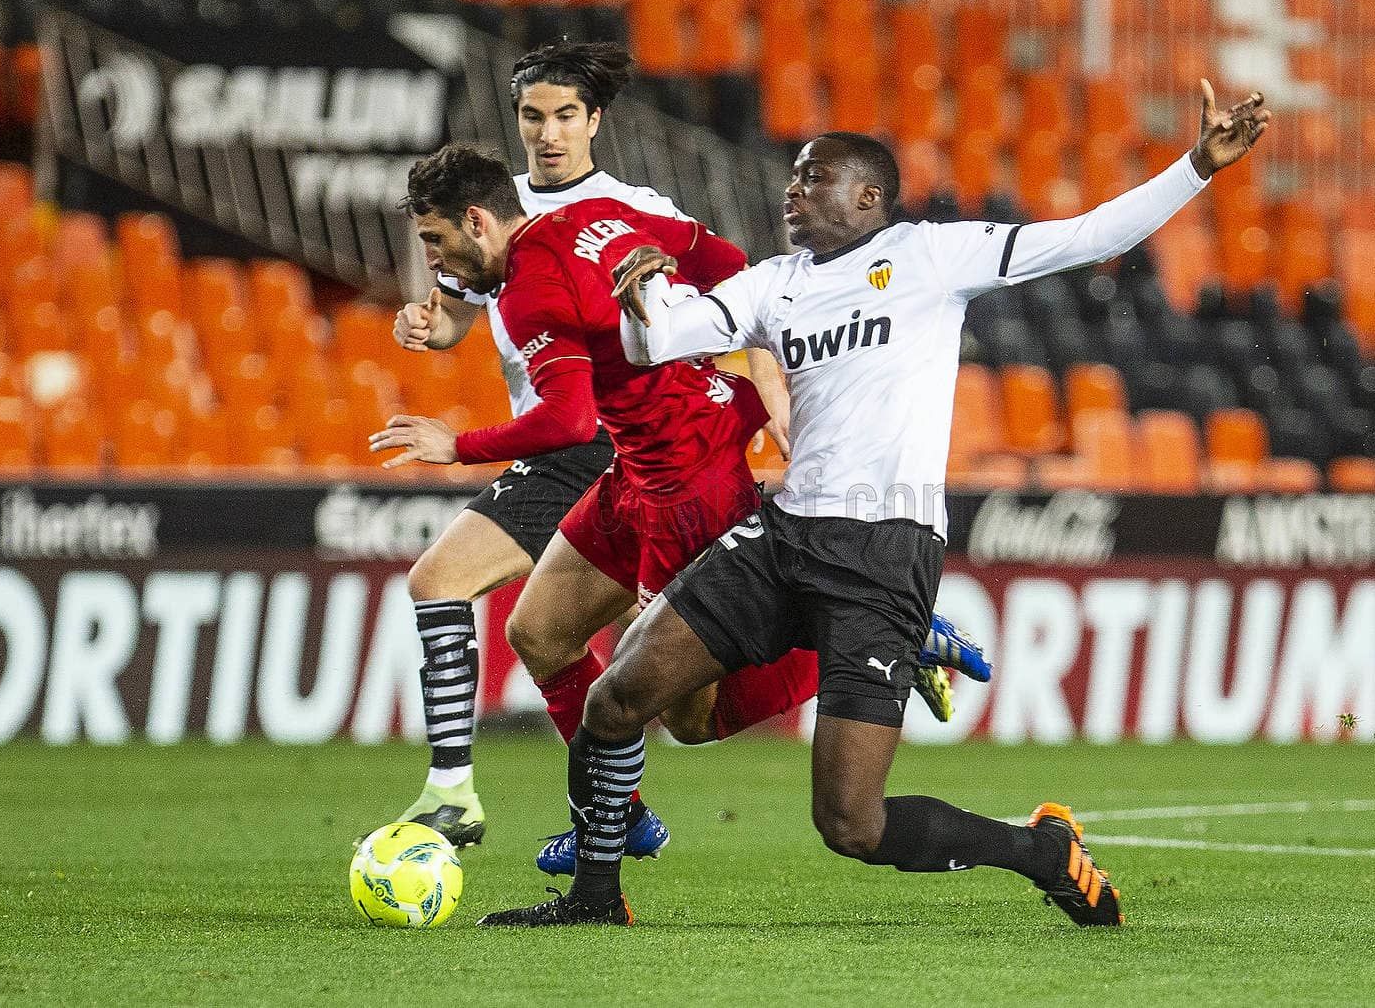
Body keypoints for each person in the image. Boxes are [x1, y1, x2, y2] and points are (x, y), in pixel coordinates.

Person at [476, 79, 1271, 928]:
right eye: (792, 175)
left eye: (813, 177)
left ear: (868, 196)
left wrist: (1196, 167)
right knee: (616, 702)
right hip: (785, 536)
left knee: (851, 823)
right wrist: (645, 298)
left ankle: (1039, 851)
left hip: (885, 553)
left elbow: (1086, 236)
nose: (792, 189)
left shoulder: (932, 258)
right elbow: (661, 341)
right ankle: (595, 899)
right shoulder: (776, 285)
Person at [375, 142, 991, 875]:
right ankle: (617, 813)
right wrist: (698, 332)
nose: (438, 265)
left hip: (687, 480)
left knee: (691, 720)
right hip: (634, 468)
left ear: (477, 221)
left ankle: (882, 635)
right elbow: (720, 254)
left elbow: (569, 422)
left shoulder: (528, 289)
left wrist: (457, 445)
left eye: (436, 241)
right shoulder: (598, 215)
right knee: (537, 632)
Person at [360, 41, 791, 862]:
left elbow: (730, 286)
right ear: (517, 122)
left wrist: (750, 381)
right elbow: (455, 311)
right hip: (569, 442)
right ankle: (609, 814)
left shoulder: (625, 205)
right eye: (533, 116)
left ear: (594, 121)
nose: (549, 133)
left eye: (565, 115)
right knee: (603, 669)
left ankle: (480, 797)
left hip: (602, 443)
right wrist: (424, 327)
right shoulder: (495, 208)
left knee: (464, 594)